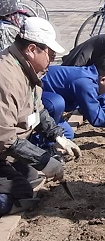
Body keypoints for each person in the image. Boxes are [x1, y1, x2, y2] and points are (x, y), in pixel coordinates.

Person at [0, 17, 81, 217]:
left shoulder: (27, 70)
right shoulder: (7, 79)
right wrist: (45, 160)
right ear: (32, 49)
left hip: (5, 149)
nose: (52, 59)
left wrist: (57, 136)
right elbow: (4, 136)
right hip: (3, 144)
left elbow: (38, 110)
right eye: (50, 53)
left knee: (32, 176)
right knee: (22, 193)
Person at [40, 55, 105, 142]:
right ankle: (34, 142)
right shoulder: (85, 84)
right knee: (58, 112)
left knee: (67, 133)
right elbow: (96, 119)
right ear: (104, 80)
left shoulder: (95, 79)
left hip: (52, 102)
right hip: (40, 99)